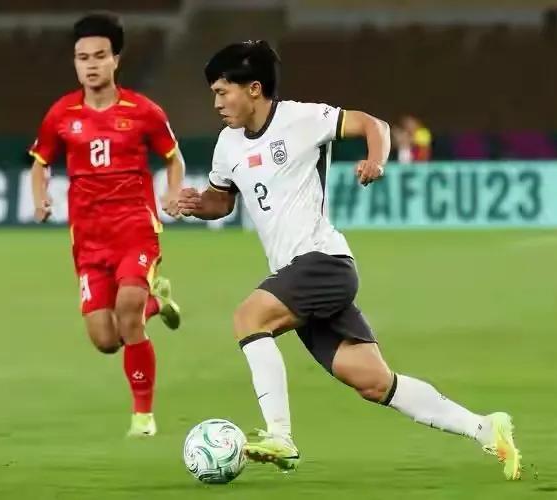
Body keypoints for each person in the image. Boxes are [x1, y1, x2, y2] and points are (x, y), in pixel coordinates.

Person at [178, 40, 521, 480]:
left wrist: (376, 159)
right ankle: (486, 428)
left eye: (222, 92)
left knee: (249, 318)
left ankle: (280, 435)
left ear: (254, 89)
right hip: (298, 275)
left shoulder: (301, 119)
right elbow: (222, 201)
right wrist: (197, 205)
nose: (217, 103)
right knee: (375, 382)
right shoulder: (228, 145)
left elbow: (373, 124)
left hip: (322, 261)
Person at [29, 13, 183, 438]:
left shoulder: (144, 112)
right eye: (83, 58)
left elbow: (173, 158)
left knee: (128, 312)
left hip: (135, 228)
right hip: (89, 239)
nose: (91, 65)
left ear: (116, 59)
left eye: (100, 56)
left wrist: (172, 192)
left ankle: (143, 417)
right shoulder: (61, 114)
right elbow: (40, 163)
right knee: (106, 339)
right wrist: (40, 196)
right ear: (75, 63)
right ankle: (157, 301)